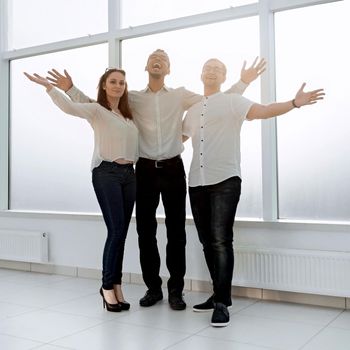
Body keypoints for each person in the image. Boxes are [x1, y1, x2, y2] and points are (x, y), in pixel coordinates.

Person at [45, 50, 266, 310]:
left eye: (163, 57)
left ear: (169, 68)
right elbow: (100, 108)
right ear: (147, 66)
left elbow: (218, 101)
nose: (157, 59)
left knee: (177, 233)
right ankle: (153, 288)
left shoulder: (180, 95)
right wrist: (70, 89)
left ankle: (176, 292)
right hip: (146, 171)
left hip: (173, 169)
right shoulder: (134, 98)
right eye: (152, 57)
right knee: (145, 232)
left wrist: (243, 83)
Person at [182, 58, 325, 326]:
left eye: (217, 68)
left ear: (224, 77)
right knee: (206, 241)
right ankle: (216, 294)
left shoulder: (233, 101)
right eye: (207, 67)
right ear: (200, 74)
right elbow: (176, 139)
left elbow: (265, 110)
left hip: (225, 180)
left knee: (221, 240)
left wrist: (294, 103)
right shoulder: (191, 110)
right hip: (196, 182)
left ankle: (222, 303)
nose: (211, 71)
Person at [24, 68, 138, 313]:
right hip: (106, 172)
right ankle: (107, 287)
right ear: (104, 85)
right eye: (113, 82)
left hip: (130, 176)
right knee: (116, 231)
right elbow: (71, 107)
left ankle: (116, 285)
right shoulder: (97, 110)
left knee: (122, 233)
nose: (118, 85)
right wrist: (51, 88)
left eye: (122, 82)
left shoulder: (127, 116)